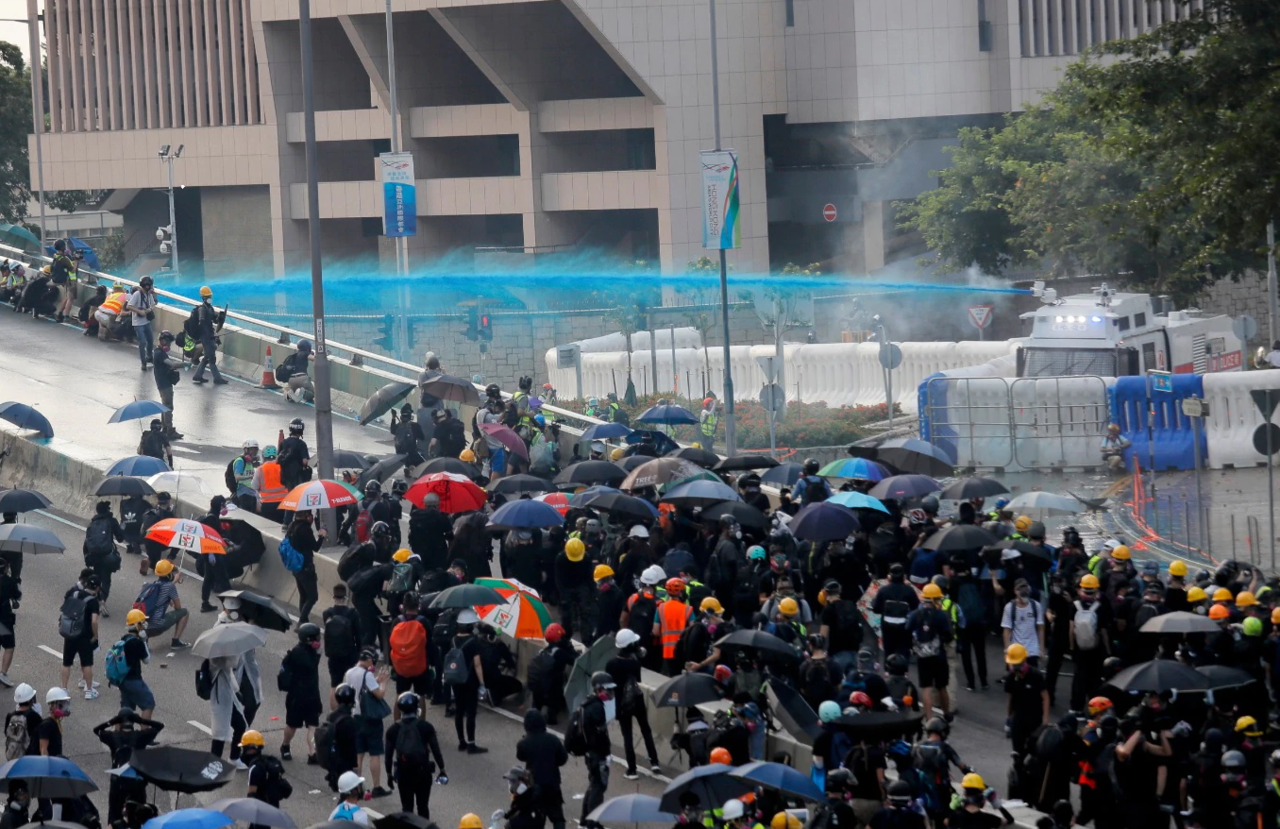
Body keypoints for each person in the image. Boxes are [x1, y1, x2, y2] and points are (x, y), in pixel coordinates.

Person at [384, 691, 448, 819]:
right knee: (423, 807)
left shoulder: (392, 730)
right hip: (423, 771)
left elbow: (388, 757)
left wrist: (389, 775)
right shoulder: (426, 727)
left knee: (407, 808)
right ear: (416, 708)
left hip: (403, 773)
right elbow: (435, 750)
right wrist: (442, 769)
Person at [606, 629, 660, 779]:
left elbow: (610, 684)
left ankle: (632, 769)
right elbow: (638, 680)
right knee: (646, 730)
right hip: (636, 699)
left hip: (621, 702)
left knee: (627, 735)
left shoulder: (611, 664)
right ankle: (654, 762)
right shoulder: (635, 663)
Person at [340, 649, 393, 798]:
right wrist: (382, 683)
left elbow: (360, 687)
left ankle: (356, 786)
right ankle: (376, 787)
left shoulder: (349, 673)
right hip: (370, 718)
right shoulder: (367, 674)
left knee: (359, 753)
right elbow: (379, 694)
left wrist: (375, 680)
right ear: (369, 661)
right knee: (375, 753)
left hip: (355, 716)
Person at [517, 708, 569, 829]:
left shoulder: (524, 743)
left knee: (537, 819)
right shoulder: (553, 739)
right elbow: (563, 759)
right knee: (557, 817)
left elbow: (520, 756)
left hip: (534, 785)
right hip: (552, 784)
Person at [447, 609, 489, 753]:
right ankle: (471, 743)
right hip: (470, 681)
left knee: (459, 710)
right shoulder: (474, 642)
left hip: (456, 679)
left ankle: (461, 742)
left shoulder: (453, 640)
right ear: (471, 626)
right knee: (471, 712)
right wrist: (482, 684)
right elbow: (477, 664)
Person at [280, 623, 323, 763]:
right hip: (297, 697)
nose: (319, 641)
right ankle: (285, 745)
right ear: (308, 639)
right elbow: (310, 665)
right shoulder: (298, 653)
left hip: (311, 694)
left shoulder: (310, 652)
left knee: (313, 725)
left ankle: (313, 752)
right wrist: (317, 654)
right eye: (316, 638)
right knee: (292, 725)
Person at [58, 570, 101, 700]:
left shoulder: (75, 593)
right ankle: (89, 690)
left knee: (66, 663)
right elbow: (94, 621)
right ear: (98, 588)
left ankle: (64, 689)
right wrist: (95, 636)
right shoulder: (93, 601)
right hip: (84, 636)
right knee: (87, 663)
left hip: (70, 633)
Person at [579, 671, 616, 823]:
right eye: (608, 689)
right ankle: (592, 822)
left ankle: (584, 820)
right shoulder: (596, 708)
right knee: (598, 789)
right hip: (597, 755)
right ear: (599, 689)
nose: (611, 693)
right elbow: (600, 735)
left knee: (593, 785)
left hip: (591, 753)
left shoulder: (589, 704)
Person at [1003, 643, 1049, 758]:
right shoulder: (1010, 678)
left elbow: (1045, 697)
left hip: (1034, 719)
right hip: (1018, 719)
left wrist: (1045, 720)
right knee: (1017, 753)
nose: (1015, 667)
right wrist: (1008, 719)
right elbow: (1010, 699)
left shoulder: (1036, 676)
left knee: (1034, 752)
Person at [110, 609, 155, 719]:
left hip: (123, 680)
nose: (145, 625)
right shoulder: (137, 643)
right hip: (134, 680)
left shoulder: (124, 639)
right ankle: (144, 733)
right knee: (149, 704)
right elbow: (147, 660)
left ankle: (119, 733)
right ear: (137, 625)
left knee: (126, 708)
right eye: (143, 623)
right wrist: (144, 640)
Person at [285, 511, 325, 626]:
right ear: (304, 516)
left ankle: (304, 621)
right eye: (308, 515)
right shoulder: (305, 530)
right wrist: (321, 536)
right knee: (312, 597)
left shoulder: (292, 527)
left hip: (296, 566)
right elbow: (315, 547)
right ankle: (302, 620)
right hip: (306, 567)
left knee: (303, 595)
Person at [242, 730, 292, 811]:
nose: (243, 751)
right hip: (273, 805)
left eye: (244, 748)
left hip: (260, 809)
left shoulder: (255, 768)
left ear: (252, 748)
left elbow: (251, 794)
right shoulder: (272, 761)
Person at [323, 584, 363, 688]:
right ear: (346, 598)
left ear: (333, 597)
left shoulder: (327, 613)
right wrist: (359, 652)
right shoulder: (353, 614)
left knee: (335, 686)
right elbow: (358, 636)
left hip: (334, 655)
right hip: (349, 654)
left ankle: (335, 704)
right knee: (352, 685)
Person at [1000, 578, 1045, 667]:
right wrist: (1007, 652)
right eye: (1019, 588)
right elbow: (1006, 632)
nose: (1022, 591)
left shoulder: (1036, 606)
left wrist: (1041, 649)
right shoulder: (1009, 608)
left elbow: (1040, 629)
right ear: (1015, 591)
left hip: (1032, 651)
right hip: (1016, 651)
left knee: (1032, 678)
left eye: (1025, 587)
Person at [190, 286, 229, 385]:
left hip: (210, 335)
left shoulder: (210, 308)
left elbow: (214, 320)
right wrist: (208, 335)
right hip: (206, 337)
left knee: (207, 356)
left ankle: (197, 375)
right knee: (212, 358)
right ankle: (217, 378)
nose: (209, 298)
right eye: (207, 296)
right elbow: (202, 323)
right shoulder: (202, 309)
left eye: (210, 296)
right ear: (203, 297)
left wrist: (220, 317)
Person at [152, 329, 183, 440]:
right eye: (168, 342)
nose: (169, 344)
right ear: (163, 341)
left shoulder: (159, 352)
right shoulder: (160, 354)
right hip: (164, 384)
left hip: (163, 383)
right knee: (168, 407)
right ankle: (169, 430)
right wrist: (184, 364)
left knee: (164, 406)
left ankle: (165, 428)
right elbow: (172, 364)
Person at [126, 276, 157, 369]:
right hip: (138, 323)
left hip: (146, 321)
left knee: (150, 341)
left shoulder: (149, 294)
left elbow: (153, 305)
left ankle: (149, 357)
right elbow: (129, 306)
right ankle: (143, 362)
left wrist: (148, 310)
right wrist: (139, 311)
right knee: (142, 342)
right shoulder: (137, 294)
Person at [252, 445, 289, 522]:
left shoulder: (260, 469)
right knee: (283, 528)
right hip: (283, 503)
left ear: (263, 456)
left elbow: (254, 486)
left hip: (267, 505)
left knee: (270, 528)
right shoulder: (283, 466)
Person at [49, 239, 76, 322]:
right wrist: (77, 261)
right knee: (70, 298)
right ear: (63, 247)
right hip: (70, 280)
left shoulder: (56, 256)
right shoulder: (64, 259)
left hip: (62, 280)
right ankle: (66, 316)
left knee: (66, 297)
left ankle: (59, 314)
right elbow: (72, 270)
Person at [38, 687, 70, 757]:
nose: (63, 708)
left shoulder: (56, 722)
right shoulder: (46, 725)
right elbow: (43, 750)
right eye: (60, 705)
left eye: (65, 704)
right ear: (51, 706)